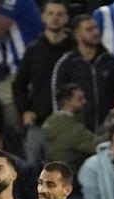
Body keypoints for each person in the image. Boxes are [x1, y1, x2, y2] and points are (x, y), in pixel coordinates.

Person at [12, 0, 73, 165]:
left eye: (60, 14)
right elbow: (19, 85)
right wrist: (24, 110)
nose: (55, 18)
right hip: (38, 122)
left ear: (67, 18)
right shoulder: (33, 50)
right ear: (43, 17)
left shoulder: (74, 49)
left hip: (68, 124)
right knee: (33, 172)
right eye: (51, 14)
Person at [50, 15, 114, 131]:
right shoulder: (66, 64)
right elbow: (57, 99)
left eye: (96, 28)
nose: (96, 32)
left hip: (109, 131)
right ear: (77, 35)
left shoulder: (111, 62)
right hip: (77, 132)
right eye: (89, 29)